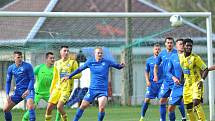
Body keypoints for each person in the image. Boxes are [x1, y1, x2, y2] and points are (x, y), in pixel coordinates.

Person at [63, 47, 125, 121]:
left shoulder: (107, 62)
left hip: (103, 90)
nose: (100, 54)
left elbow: (118, 66)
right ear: (95, 54)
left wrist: (121, 65)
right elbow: (79, 69)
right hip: (92, 90)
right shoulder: (90, 62)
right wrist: (69, 76)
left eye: (101, 53)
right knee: (82, 106)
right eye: (98, 53)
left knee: (101, 107)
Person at [45, 46, 81, 121]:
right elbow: (55, 78)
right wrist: (51, 89)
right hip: (57, 88)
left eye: (68, 51)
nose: (66, 52)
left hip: (66, 89)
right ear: (60, 52)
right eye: (64, 51)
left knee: (59, 106)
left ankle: (65, 119)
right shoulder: (57, 63)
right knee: (48, 108)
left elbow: (79, 75)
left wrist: (69, 76)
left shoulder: (73, 62)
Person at [22, 52, 61, 121]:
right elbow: (29, 75)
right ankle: (24, 119)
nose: (52, 59)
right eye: (51, 58)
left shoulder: (55, 69)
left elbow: (58, 81)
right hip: (38, 92)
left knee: (60, 106)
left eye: (53, 58)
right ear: (46, 59)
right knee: (32, 108)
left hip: (49, 93)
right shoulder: (39, 67)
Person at [179, 38, 209, 121]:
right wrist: (181, 80)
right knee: (188, 108)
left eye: (190, 46)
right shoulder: (180, 57)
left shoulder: (195, 58)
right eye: (187, 45)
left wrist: (202, 80)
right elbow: (183, 69)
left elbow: (205, 69)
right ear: (183, 46)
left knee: (196, 102)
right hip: (187, 86)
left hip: (196, 83)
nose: (189, 47)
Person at [3, 51, 35, 121]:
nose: (20, 59)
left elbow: (32, 79)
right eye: (18, 57)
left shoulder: (28, 66)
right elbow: (8, 82)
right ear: (14, 58)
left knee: (30, 105)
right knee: (5, 109)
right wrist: (7, 94)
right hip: (18, 92)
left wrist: (28, 90)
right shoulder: (11, 68)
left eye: (21, 57)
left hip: (28, 90)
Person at [153, 37, 177, 121]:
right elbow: (156, 66)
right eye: (168, 42)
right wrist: (155, 76)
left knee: (172, 105)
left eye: (171, 42)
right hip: (166, 81)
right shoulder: (162, 54)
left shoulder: (177, 53)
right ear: (165, 44)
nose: (169, 44)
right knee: (162, 101)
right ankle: (162, 119)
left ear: (173, 44)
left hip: (176, 82)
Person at [139, 44, 163, 121]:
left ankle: (161, 118)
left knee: (162, 101)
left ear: (161, 50)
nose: (157, 50)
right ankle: (142, 117)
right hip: (152, 83)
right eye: (156, 49)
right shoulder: (149, 60)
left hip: (162, 84)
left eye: (159, 49)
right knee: (147, 100)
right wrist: (147, 80)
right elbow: (146, 71)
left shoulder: (164, 59)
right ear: (153, 50)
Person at [167, 39, 186, 121]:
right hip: (178, 85)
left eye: (183, 44)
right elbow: (168, 72)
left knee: (192, 105)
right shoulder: (173, 57)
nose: (182, 45)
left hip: (188, 85)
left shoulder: (189, 56)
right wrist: (174, 78)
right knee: (170, 108)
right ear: (176, 46)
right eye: (180, 44)